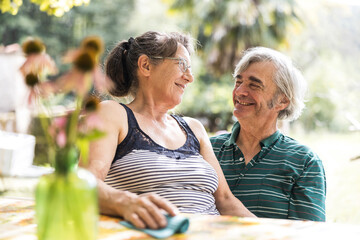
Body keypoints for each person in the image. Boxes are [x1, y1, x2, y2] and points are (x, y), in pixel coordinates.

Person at [84, 31, 255, 230]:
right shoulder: (113, 114)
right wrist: (126, 202)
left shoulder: (193, 128)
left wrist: (268, 232)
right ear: (146, 65)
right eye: (182, 65)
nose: (190, 78)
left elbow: (225, 200)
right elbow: (84, 183)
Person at [210, 47, 326, 222]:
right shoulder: (207, 149)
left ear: (282, 100)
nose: (240, 91)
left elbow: (308, 234)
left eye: (254, 85)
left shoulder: (304, 162)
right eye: (238, 82)